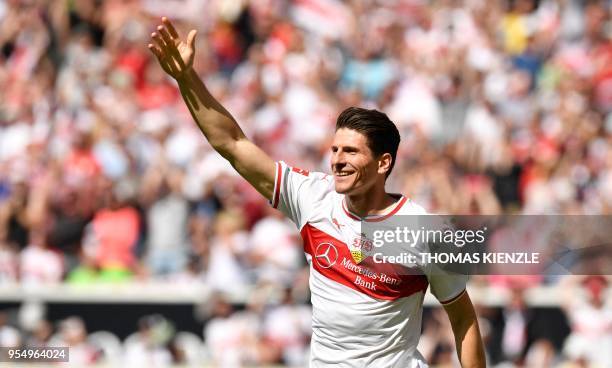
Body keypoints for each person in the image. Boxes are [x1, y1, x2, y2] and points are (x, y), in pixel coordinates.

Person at [148, 17, 486, 367]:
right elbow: (232, 143)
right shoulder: (313, 196)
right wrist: (186, 78)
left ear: (383, 163)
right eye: (335, 150)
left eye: (351, 152)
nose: (337, 161)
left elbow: (464, 320)